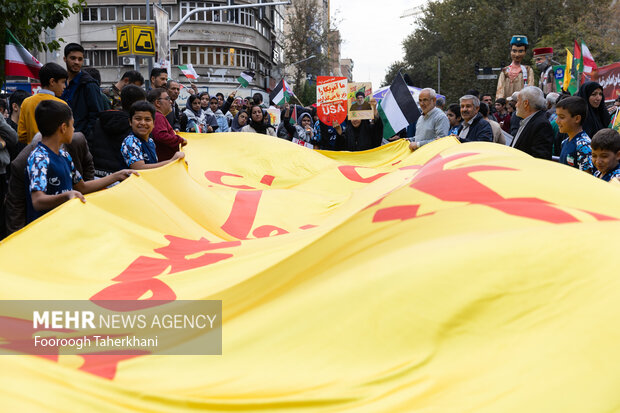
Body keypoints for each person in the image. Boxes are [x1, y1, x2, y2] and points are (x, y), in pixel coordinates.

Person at [25, 100, 135, 223]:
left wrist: (117, 175)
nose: (74, 129)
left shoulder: (64, 155)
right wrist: (67, 196)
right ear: (63, 128)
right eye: (72, 125)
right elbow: (38, 201)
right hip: (46, 230)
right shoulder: (39, 158)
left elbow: (81, 187)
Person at [6, 129, 94, 234]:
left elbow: (87, 167)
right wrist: (17, 238)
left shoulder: (75, 143)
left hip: (71, 215)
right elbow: (15, 205)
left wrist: (87, 199)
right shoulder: (24, 163)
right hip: (42, 224)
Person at [87, 84, 146, 178]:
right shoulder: (136, 128)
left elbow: (89, 147)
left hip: (98, 176)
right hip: (122, 177)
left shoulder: (99, 121)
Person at [121, 101, 184, 170]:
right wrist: (171, 162)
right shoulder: (131, 141)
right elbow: (139, 168)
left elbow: (153, 165)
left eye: (147, 119)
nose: (143, 123)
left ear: (153, 123)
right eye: (138, 119)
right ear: (130, 122)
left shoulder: (151, 141)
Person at [61, 43, 105, 137]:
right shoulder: (60, 82)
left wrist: (86, 138)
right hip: (61, 137)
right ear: (65, 59)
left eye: (80, 59)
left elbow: (96, 115)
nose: (77, 62)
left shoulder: (89, 84)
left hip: (80, 139)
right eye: (73, 58)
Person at [18, 62, 68, 145]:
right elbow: (65, 134)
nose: (64, 86)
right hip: (54, 153)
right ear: (52, 81)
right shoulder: (62, 105)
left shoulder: (27, 102)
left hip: (33, 152)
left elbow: (21, 135)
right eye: (63, 82)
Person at [510, 86, 553, 159]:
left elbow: (540, 157)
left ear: (526, 103)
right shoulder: (529, 120)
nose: (516, 105)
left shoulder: (541, 125)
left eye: (518, 101)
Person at [146, 88, 187, 161]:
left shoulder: (158, 116)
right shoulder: (158, 116)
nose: (171, 102)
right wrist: (180, 140)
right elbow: (161, 136)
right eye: (168, 99)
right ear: (158, 103)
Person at [556, 96, 592, 173]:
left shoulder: (583, 145)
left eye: (561, 117)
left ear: (577, 119)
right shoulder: (564, 142)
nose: (557, 121)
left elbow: (587, 178)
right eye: (557, 116)